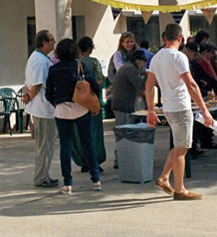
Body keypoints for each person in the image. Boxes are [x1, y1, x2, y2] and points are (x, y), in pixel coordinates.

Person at [146, 23, 214, 200]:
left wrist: (150, 110)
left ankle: (164, 177)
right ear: (181, 38)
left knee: (178, 145)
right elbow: (191, 84)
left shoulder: (156, 58)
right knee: (182, 149)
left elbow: (149, 86)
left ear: (164, 38)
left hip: (168, 106)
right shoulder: (179, 57)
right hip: (181, 106)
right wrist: (205, 110)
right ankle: (180, 188)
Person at [45, 38, 100, 195]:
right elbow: (94, 85)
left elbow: (48, 93)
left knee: (65, 146)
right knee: (87, 144)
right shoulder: (80, 66)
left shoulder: (53, 69)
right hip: (81, 108)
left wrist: (57, 103)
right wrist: (94, 103)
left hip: (61, 110)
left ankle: (67, 183)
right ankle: (96, 179)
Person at [24, 30, 58, 188]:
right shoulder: (40, 60)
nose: (54, 42)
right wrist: (30, 97)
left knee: (46, 143)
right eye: (51, 39)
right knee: (45, 144)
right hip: (43, 108)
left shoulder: (38, 58)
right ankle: (41, 177)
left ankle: (44, 175)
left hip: (42, 107)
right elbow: (37, 84)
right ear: (44, 42)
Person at [76, 36, 107, 169]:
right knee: (94, 132)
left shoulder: (75, 62)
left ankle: (83, 159)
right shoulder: (94, 62)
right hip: (93, 100)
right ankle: (94, 159)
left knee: (80, 131)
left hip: (78, 101)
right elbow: (100, 80)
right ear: (90, 48)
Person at [111, 49, 147, 129]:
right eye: (144, 62)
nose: (144, 65)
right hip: (124, 105)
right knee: (126, 130)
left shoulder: (126, 66)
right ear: (138, 61)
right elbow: (141, 86)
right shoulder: (131, 69)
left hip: (120, 104)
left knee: (124, 130)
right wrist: (146, 75)